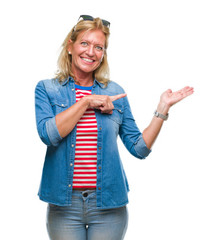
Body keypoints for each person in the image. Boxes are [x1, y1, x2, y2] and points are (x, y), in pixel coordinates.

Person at [34, 15, 193, 239]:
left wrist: (162, 109)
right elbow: (49, 135)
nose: (91, 52)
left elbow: (139, 149)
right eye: (84, 43)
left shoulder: (113, 92)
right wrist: (87, 101)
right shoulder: (47, 89)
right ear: (70, 46)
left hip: (108, 205)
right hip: (64, 206)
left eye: (99, 47)